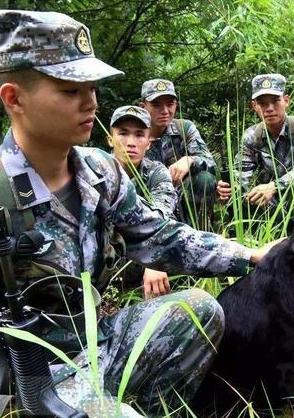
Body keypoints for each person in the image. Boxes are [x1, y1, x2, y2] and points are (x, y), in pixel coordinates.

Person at [0, 10, 268, 415]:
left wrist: (249, 255)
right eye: (70, 89)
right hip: (33, 376)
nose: (90, 101)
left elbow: (160, 237)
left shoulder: (99, 170)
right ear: (14, 98)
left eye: (91, 87)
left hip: (94, 343)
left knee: (196, 310)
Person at [216, 73, 294, 210]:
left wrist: (275, 186)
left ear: (286, 101)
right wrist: (229, 189)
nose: (269, 108)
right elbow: (242, 176)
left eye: (275, 101)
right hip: (272, 203)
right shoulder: (252, 136)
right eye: (262, 103)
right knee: (239, 204)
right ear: (254, 106)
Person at [108, 105, 176, 298]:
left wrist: (154, 261)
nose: (131, 143)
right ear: (110, 139)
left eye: (139, 135)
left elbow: (162, 217)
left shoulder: (156, 172)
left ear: (148, 142)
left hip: (140, 251)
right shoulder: (95, 170)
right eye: (123, 133)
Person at [140, 78, 217, 226]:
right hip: (147, 197)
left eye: (170, 104)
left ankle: (199, 233)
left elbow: (210, 162)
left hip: (181, 197)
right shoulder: (134, 133)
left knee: (205, 179)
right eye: (156, 105)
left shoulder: (184, 128)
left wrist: (190, 160)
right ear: (143, 106)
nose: (165, 111)